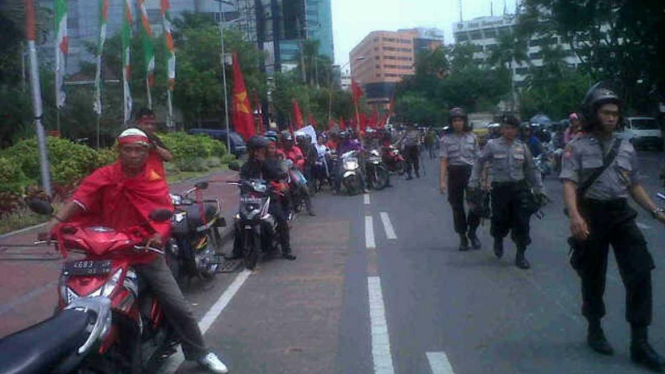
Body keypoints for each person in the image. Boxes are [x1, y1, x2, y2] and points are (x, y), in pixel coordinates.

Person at [40, 129, 228, 373]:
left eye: (138, 149)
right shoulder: (104, 175)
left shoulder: (153, 180)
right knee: (69, 301)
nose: (132, 154)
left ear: (146, 152)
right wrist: (55, 222)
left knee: (178, 306)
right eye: (127, 149)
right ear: (119, 151)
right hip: (106, 251)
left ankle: (200, 353)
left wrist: (157, 236)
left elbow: (163, 214)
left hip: (142, 252)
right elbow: (80, 200)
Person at [561, 83, 665, 371]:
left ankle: (640, 343)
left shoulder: (626, 146)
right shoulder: (576, 146)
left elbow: (634, 186)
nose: (611, 118)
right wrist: (575, 216)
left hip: (620, 215)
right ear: (593, 114)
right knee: (593, 276)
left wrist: (656, 211)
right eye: (606, 112)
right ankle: (594, 328)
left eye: (615, 114)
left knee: (640, 271)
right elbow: (569, 182)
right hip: (591, 215)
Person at [469, 115, 545, 270]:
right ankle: (498, 239)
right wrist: (473, 181)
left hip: (519, 189)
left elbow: (531, 169)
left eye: (513, 128)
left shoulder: (522, 147)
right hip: (500, 189)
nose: (509, 131)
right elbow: (479, 162)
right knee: (499, 220)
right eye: (506, 128)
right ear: (502, 129)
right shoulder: (492, 145)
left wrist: (539, 189)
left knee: (522, 222)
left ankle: (521, 254)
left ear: (517, 130)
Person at [231, 136, 297, 261]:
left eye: (261, 150)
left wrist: (265, 164)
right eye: (257, 150)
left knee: (281, 219)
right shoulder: (246, 166)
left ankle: (286, 250)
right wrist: (243, 185)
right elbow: (243, 179)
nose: (259, 153)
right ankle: (237, 251)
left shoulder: (271, 162)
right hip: (251, 199)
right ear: (252, 151)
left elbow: (277, 174)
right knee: (239, 220)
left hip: (268, 198)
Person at [439, 108, 482, 251]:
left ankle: (472, 232)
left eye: (460, 120)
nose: (458, 123)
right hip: (454, 174)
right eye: (455, 121)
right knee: (457, 207)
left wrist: (483, 177)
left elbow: (478, 159)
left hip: (471, 173)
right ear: (451, 123)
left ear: (465, 122)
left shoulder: (473, 137)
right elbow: (444, 160)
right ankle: (463, 236)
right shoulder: (445, 139)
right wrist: (442, 181)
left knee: (475, 205)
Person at [134, 108, 173, 177]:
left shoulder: (153, 138)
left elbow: (169, 157)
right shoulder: (131, 137)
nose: (149, 127)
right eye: (146, 124)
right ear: (138, 123)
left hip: (155, 179)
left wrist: (155, 147)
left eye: (152, 124)